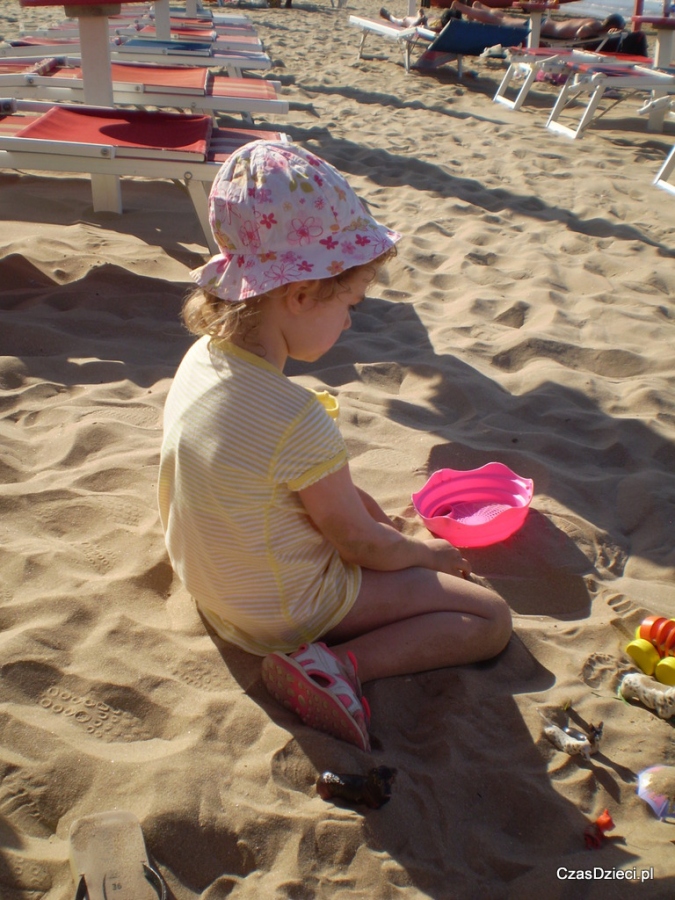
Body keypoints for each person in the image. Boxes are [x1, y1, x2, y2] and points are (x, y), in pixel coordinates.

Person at [158, 140, 512, 752]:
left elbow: (297, 491)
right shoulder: (295, 417)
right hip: (279, 612)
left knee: (357, 508)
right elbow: (359, 543)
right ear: (298, 295)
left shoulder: (202, 358)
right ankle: (338, 668)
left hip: (214, 587)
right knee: (489, 618)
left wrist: (372, 523)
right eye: (348, 303)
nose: (350, 321)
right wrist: (424, 557)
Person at [450, 0, 625, 44]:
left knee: (505, 18)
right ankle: (460, 7)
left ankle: (481, 6)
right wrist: (602, 34)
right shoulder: (595, 26)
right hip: (543, 26)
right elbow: (581, 33)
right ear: (612, 27)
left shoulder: (594, 21)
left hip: (545, 23)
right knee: (501, 22)